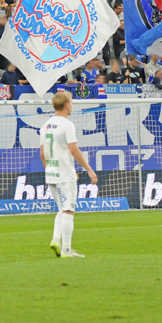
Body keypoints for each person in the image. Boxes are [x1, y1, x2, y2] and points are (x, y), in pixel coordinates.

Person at [39, 92, 98, 259]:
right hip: (65, 174)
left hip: (51, 173)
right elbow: (74, 150)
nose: (71, 105)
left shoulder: (45, 125)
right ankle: (66, 250)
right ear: (66, 105)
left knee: (62, 209)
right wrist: (89, 170)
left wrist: (48, 169)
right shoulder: (67, 125)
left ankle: (56, 239)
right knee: (68, 210)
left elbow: (42, 154)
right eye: (71, 102)